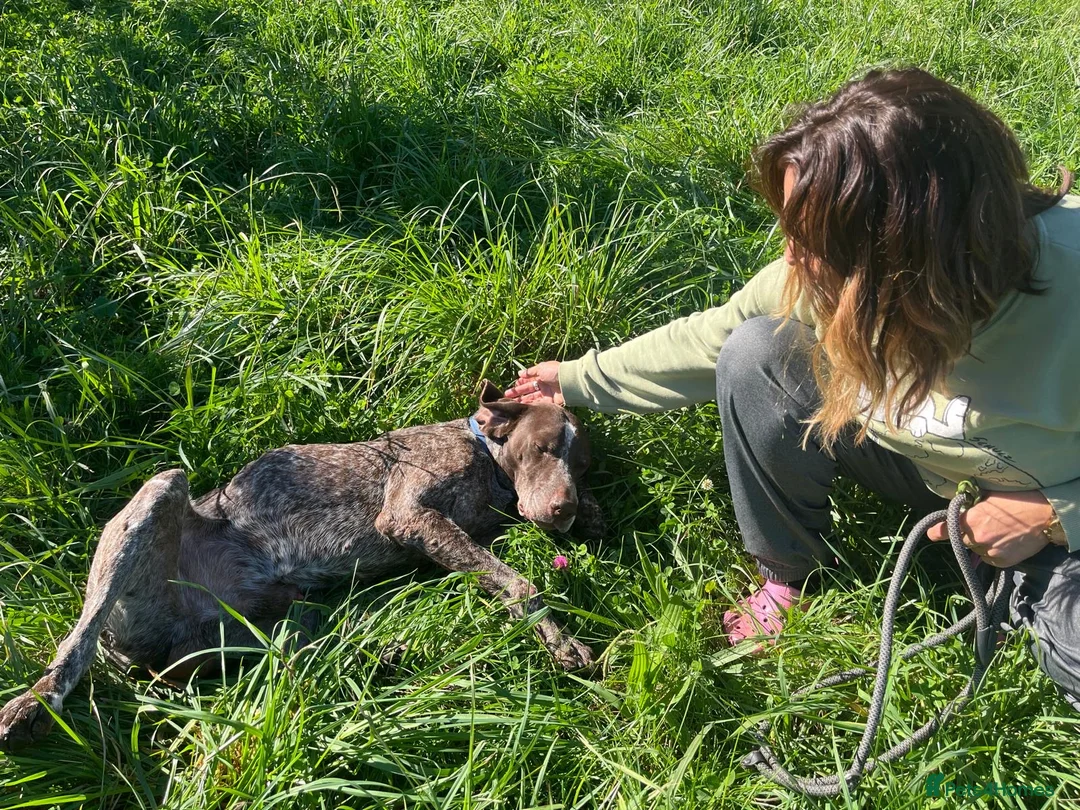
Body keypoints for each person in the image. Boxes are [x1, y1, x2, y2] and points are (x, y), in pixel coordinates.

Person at [503, 68, 1080, 703]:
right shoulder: (827, 277)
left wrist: (1050, 516)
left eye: (816, 242)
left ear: (915, 250)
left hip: (1052, 498)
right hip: (932, 471)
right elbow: (714, 338)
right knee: (758, 350)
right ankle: (787, 574)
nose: (791, 257)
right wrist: (575, 379)